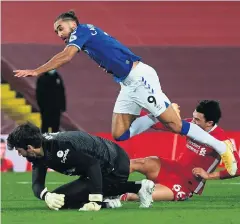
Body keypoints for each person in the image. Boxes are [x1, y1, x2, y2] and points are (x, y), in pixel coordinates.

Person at [13, 11, 236, 176]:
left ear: (72, 24)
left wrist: (36, 70)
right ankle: (152, 116)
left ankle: (220, 146)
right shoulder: (86, 34)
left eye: (60, 28)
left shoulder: (81, 31)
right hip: (127, 84)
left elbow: (66, 56)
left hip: (140, 78)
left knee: (176, 125)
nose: (59, 34)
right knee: (120, 133)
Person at [7, 122, 155, 211]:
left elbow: (93, 164)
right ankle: (138, 187)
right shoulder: (39, 153)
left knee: (75, 197)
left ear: (29, 147)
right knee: (60, 200)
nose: (20, 155)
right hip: (100, 167)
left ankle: (106, 201)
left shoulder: (60, 147)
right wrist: (46, 195)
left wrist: (96, 200)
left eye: (19, 151)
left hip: (116, 163)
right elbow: (37, 184)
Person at [122, 100, 239, 201]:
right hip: (173, 168)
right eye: (193, 117)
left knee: (136, 195)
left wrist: (209, 175)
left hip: (185, 184)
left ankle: (116, 195)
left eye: (197, 119)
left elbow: (237, 168)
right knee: (137, 163)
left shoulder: (221, 140)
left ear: (209, 123)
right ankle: (107, 186)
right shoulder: (191, 125)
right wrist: (134, 110)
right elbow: (160, 125)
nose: (192, 122)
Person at [36, 68, 66, 133]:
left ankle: (55, 141)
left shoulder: (57, 78)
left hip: (56, 107)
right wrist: (41, 106)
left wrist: (63, 106)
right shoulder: (42, 78)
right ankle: (45, 140)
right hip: (46, 107)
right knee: (45, 124)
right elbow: (39, 94)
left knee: (55, 125)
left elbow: (61, 92)